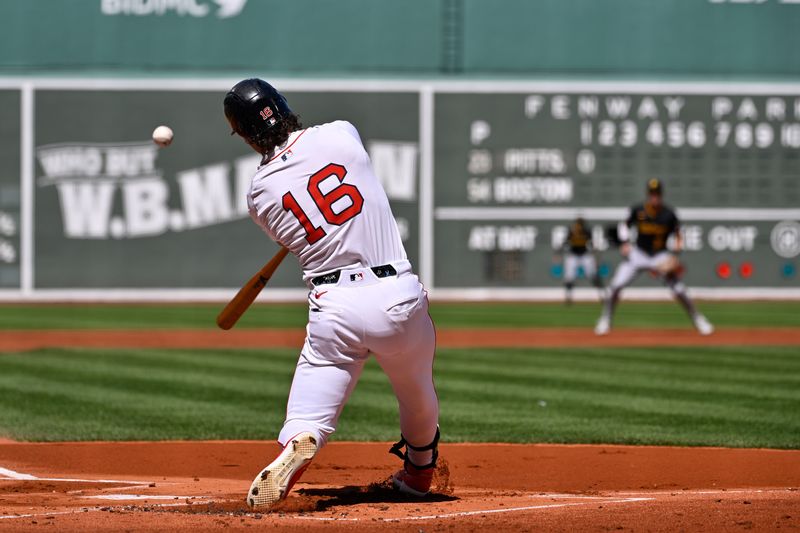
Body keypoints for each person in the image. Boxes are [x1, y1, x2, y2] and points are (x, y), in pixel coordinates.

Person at [223, 79, 440, 510]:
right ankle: (419, 472)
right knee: (416, 391)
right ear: (282, 108)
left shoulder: (258, 196)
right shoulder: (340, 133)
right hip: (396, 294)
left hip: (334, 305)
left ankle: (303, 437)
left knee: (312, 401)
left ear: (245, 135)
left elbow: (297, 224)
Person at [595, 178, 713, 336]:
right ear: (648, 194)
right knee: (615, 286)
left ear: (661, 195)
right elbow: (624, 225)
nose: (654, 197)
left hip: (660, 256)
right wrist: (624, 242)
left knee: (679, 290)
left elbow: (678, 235)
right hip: (639, 254)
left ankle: (698, 319)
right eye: (652, 194)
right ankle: (605, 320)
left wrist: (675, 255)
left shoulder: (668, 214)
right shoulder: (640, 212)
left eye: (657, 194)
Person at [558, 217, 605, 305]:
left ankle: (602, 295)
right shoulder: (571, 231)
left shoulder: (587, 232)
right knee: (569, 277)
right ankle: (568, 298)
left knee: (593, 275)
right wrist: (559, 252)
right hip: (573, 255)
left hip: (585, 255)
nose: (579, 226)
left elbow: (592, 245)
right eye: (578, 224)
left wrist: (596, 257)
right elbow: (565, 243)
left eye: (580, 224)